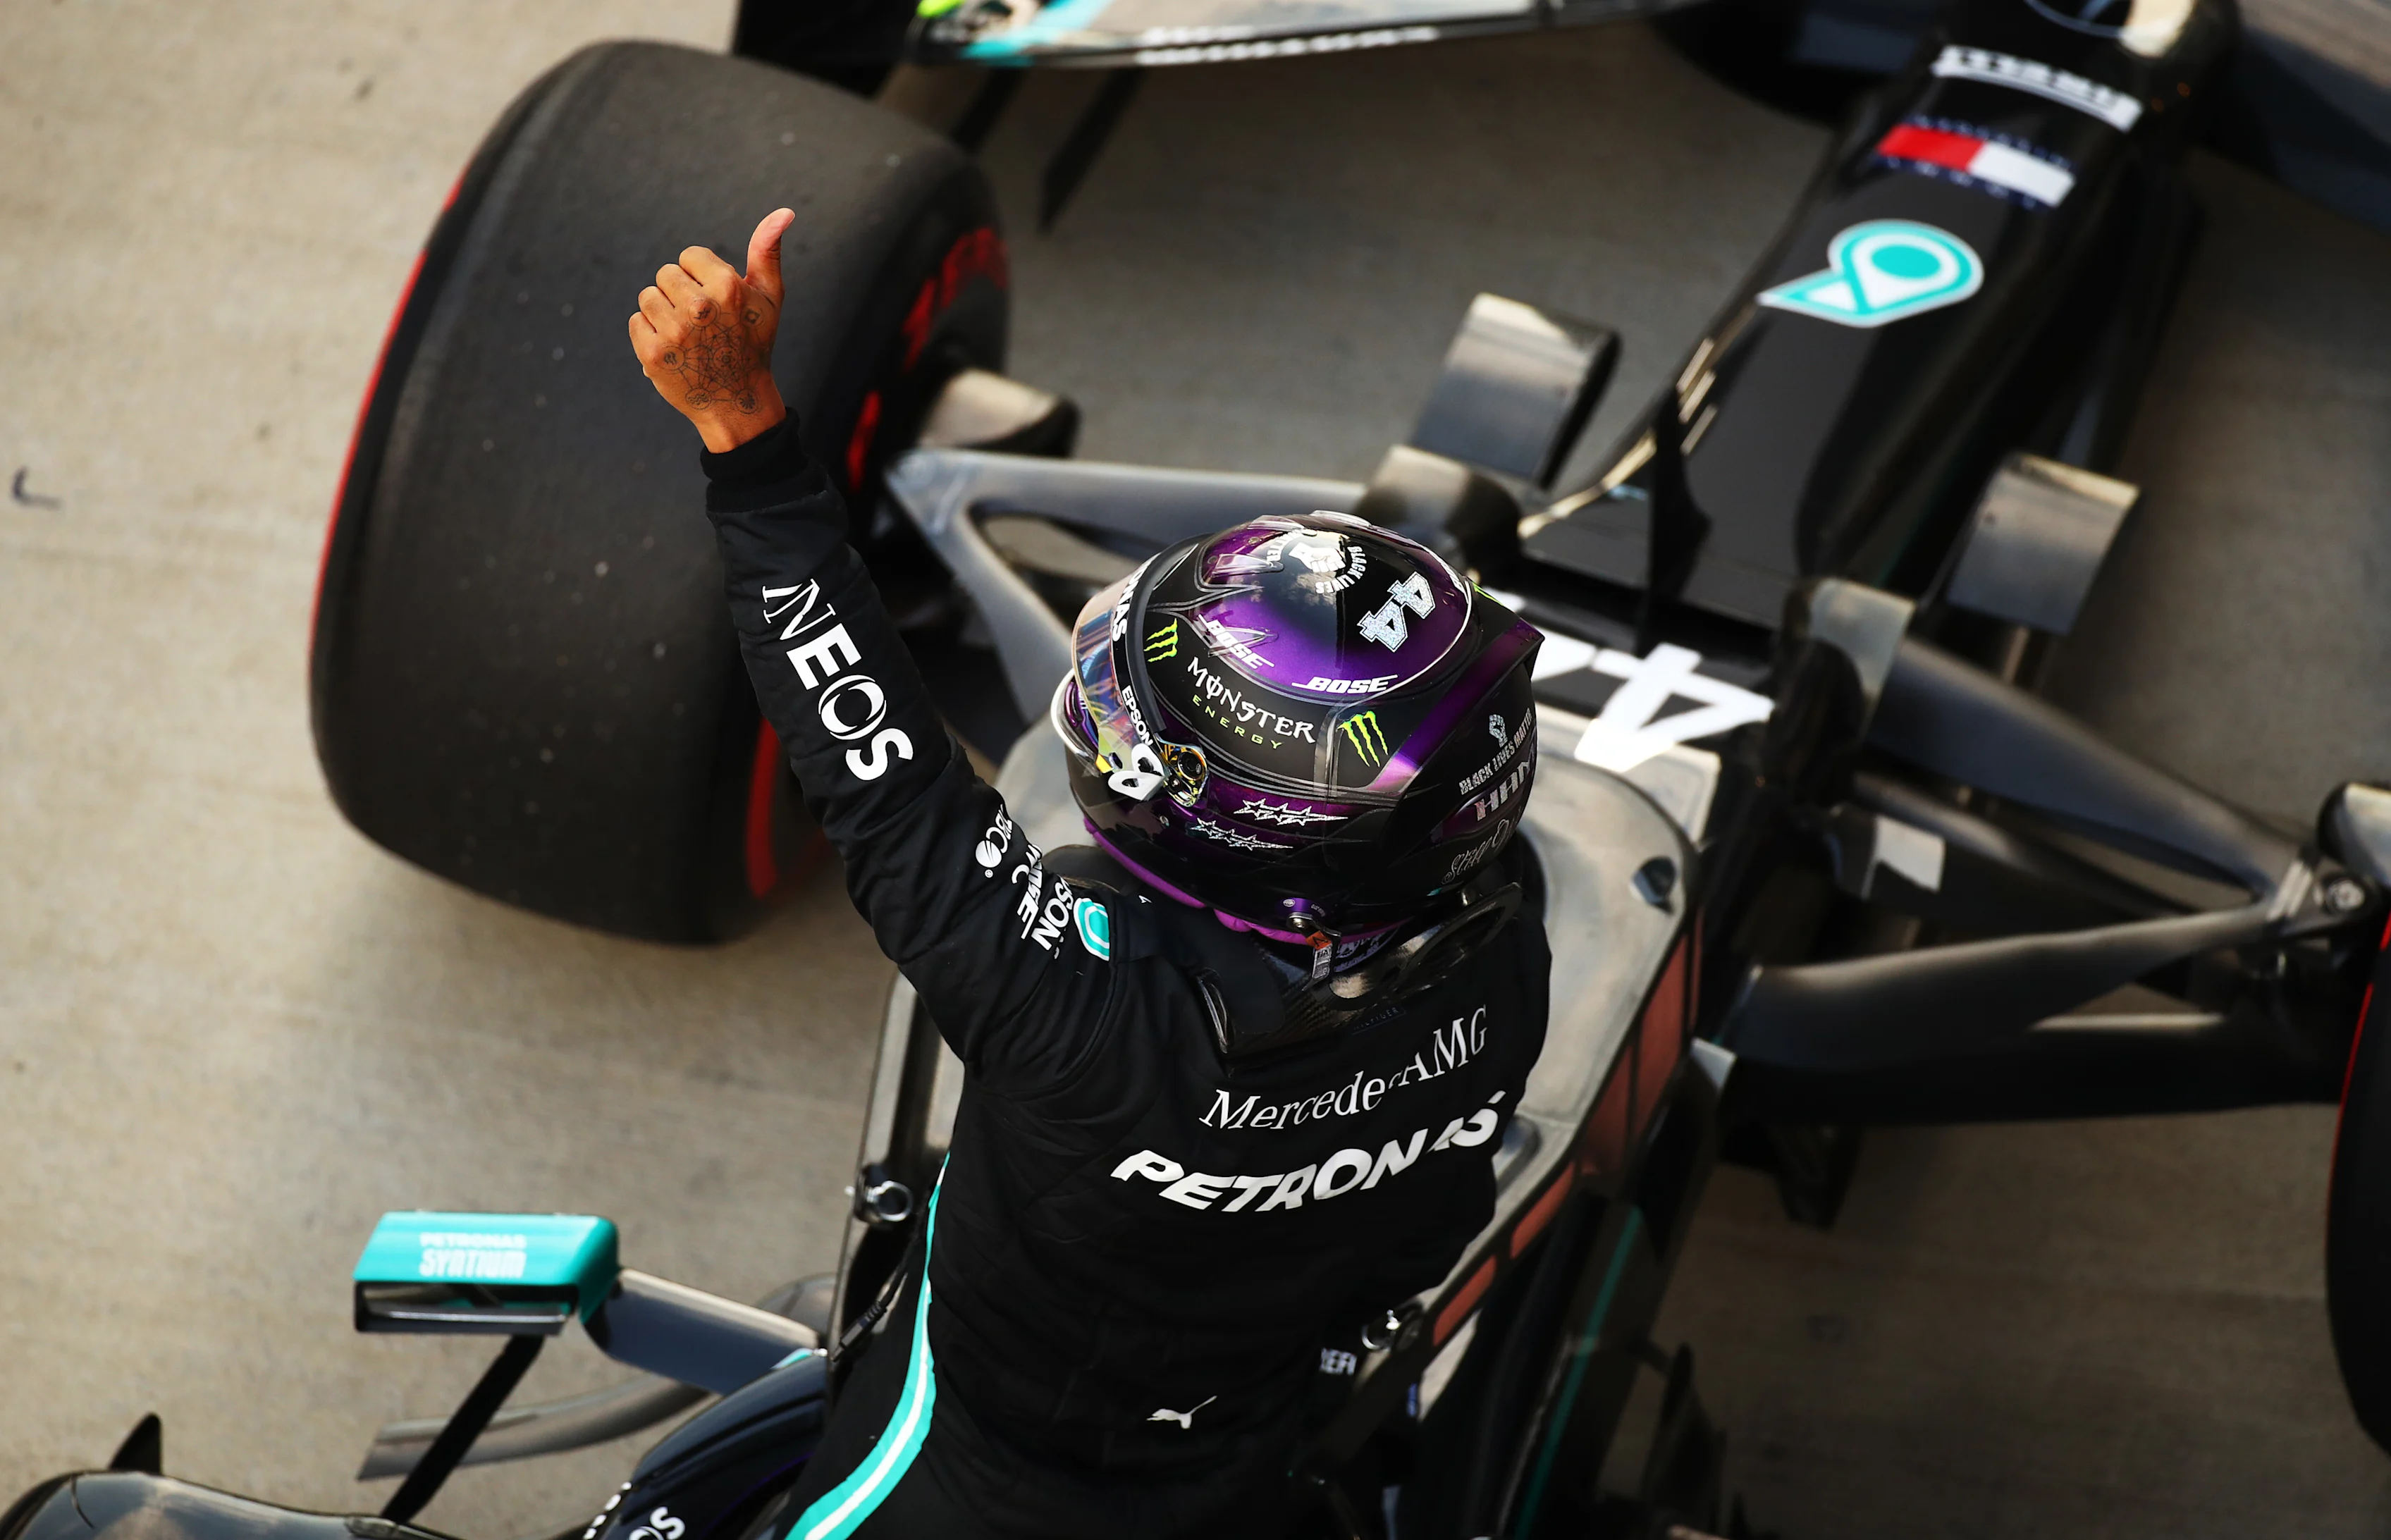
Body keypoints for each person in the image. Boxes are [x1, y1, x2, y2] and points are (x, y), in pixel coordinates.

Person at [629, 208, 1553, 1539]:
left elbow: (883, 778)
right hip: (1246, 1448)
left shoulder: (1086, 1019)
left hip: (971, 1476)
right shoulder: (1501, 942)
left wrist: (748, 442)